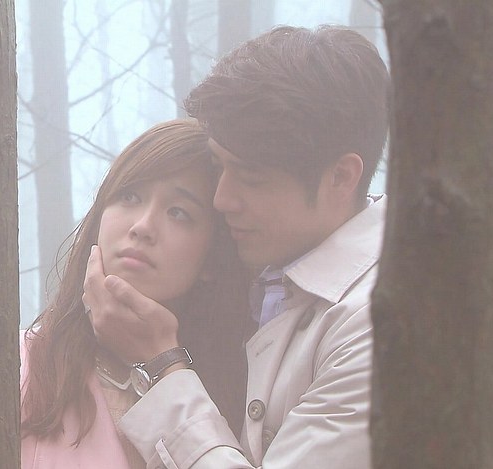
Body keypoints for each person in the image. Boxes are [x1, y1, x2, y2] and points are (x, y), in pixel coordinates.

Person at [84, 25, 390, 468]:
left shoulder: (380, 329)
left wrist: (162, 364)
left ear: (341, 177)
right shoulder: (269, 276)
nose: (222, 198)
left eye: (251, 178)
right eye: (219, 165)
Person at [0, 119, 250, 469]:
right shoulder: (9, 368)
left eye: (179, 212)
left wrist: (164, 363)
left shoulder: (245, 402)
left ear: (212, 257)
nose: (143, 226)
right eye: (130, 197)